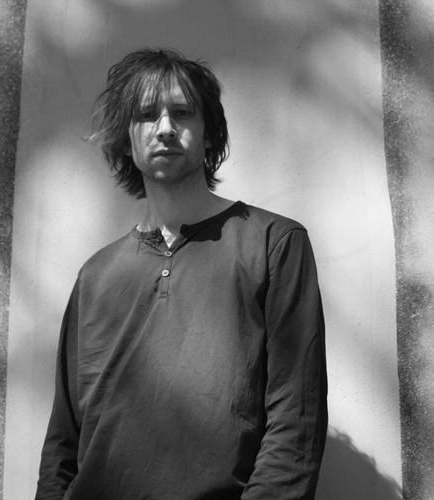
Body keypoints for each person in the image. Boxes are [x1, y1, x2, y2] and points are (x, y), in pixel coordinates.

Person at [35, 48, 327, 500]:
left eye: (182, 112)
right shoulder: (95, 276)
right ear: (126, 140)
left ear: (210, 134)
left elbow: (296, 418)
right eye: (146, 115)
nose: (165, 128)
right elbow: (63, 441)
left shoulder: (274, 244)